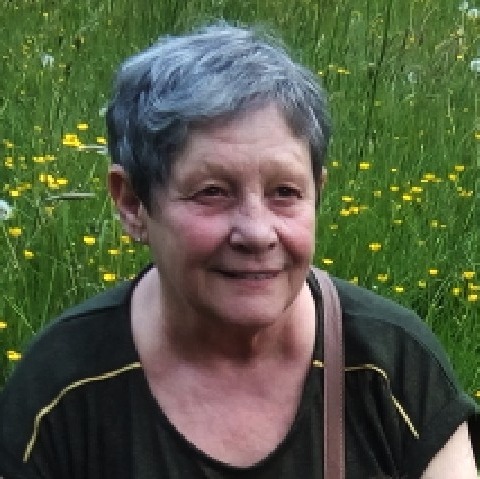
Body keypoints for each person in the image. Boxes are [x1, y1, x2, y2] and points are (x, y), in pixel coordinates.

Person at [0, 22, 478, 479]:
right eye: (212, 192)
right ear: (132, 203)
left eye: (285, 192)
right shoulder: (60, 390)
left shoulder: (390, 365)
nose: (257, 232)